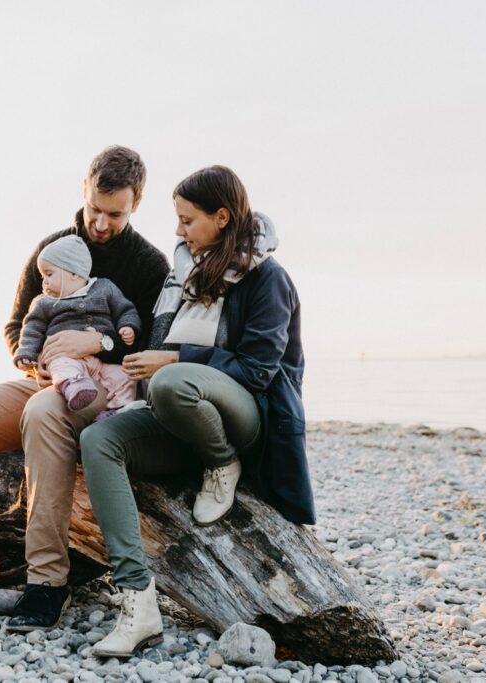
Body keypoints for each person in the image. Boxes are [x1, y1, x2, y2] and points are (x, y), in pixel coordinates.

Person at [0, 146, 170, 632]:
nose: (102, 223)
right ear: (84, 190)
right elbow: (15, 325)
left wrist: (100, 340)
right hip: (48, 381)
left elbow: (150, 347)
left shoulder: (149, 265)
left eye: (116, 213)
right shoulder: (52, 249)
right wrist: (31, 362)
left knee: (45, 413)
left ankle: (47, 583)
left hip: (105, 393)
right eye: (95, 209)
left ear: (137, 204)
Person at [78, 165, 316, 658]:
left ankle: (221, 460)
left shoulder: (267, 278)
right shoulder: (185, 273)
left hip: (245, 418)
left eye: (187, 220)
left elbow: (258, 372)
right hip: (177, 409)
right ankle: (138, 601)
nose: (178, 231)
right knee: (98, 441)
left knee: (171, 379)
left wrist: (173, 359)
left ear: (222, 217)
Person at [13, 234, 141, 419]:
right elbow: (32, 328)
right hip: (66, 356)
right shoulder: (44, 302)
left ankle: (118, 409)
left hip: (104, 359)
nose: (44, 282)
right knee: (61, 367)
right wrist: (27, 353)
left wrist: (129, 326)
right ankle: (75, 387)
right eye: (43, 276)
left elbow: (125, 309)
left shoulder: (104, 288)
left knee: (123, 376)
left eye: (49, 274)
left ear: (73, 273)